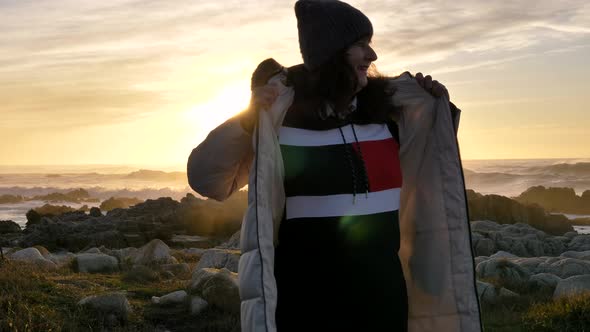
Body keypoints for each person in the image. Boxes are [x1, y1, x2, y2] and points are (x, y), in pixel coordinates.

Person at [188, 1, 482, 331]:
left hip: (384, 310)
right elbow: (206, 179)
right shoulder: (282, 122)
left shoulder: (386, 118)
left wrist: (434, 110)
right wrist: (246, 120)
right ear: (331, 51)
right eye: (360, 45)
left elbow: (429, 168)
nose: (372, 56)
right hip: (305, 312)